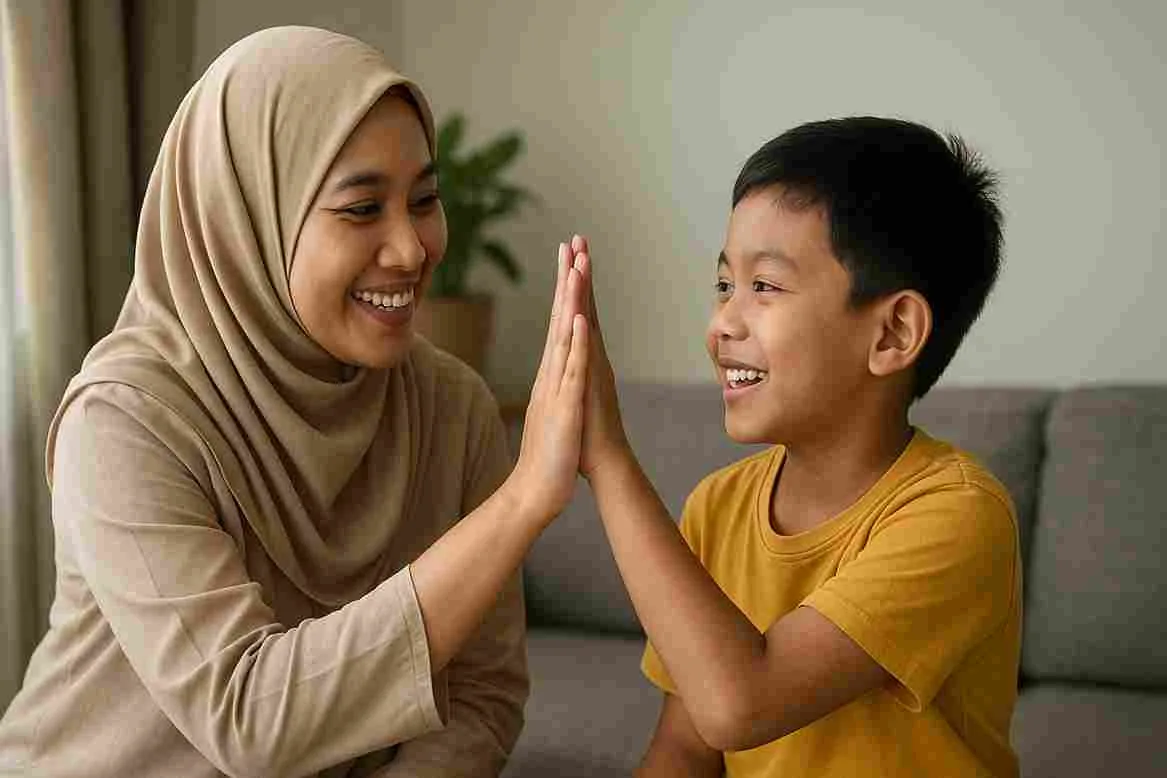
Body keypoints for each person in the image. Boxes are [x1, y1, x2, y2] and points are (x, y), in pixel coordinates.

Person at [0, 26, 593, 778]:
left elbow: (482, 695)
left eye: (424, 200)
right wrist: (520, 504)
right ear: (246, 216)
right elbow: (246, 716)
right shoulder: (125, 420)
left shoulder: (452, 406)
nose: (411, 249)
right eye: (360, 209)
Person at [573, 117, 1020, 776]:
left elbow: (742, 705)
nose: (721, 322)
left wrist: (606, 458)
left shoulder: (957, 517)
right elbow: (687, 748)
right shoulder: (716, 506)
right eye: (724, 284)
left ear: (892, 333)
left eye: (765, 287)